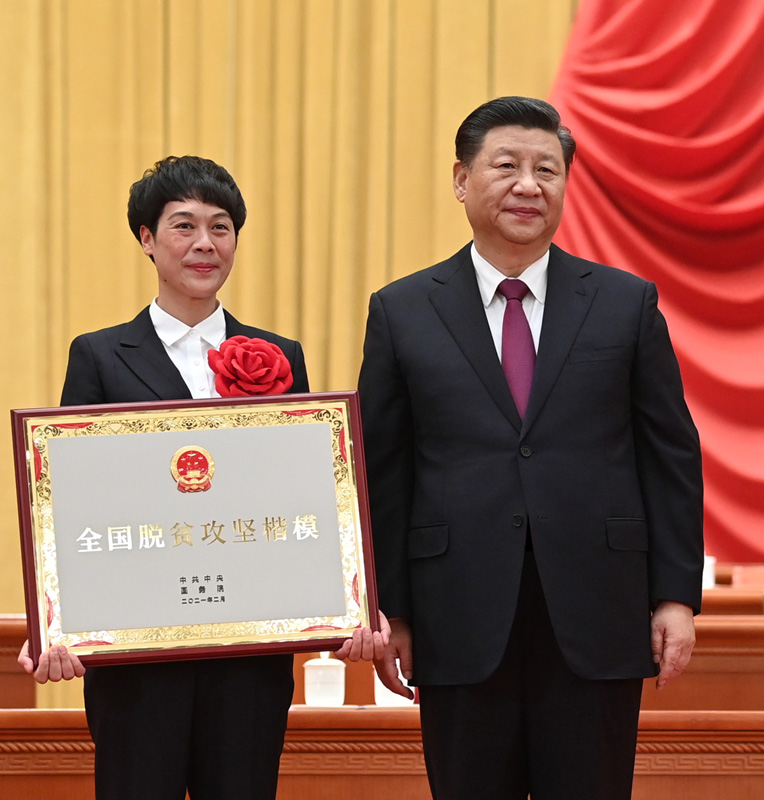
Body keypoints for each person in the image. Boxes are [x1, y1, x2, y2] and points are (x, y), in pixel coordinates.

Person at [358, 97, 704, 799]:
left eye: (547, 169)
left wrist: (675, 596)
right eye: (507, 166)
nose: (528, 185)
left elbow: (670, 453)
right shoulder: (402, 310)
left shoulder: (624, 303)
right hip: (455, 614)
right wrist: (390, 609)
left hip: (597, 611)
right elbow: (384, 470)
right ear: (461, 180)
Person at [19, 155, 387, 800]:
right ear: (147, 239)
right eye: (183, 226)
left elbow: (301, 492)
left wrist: (350, 601)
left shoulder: (279, 356)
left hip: (248, 658)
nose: (204, 243)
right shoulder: (99, 355)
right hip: (138, 661)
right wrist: (58, 622)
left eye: (221, 227)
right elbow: (74, 501)